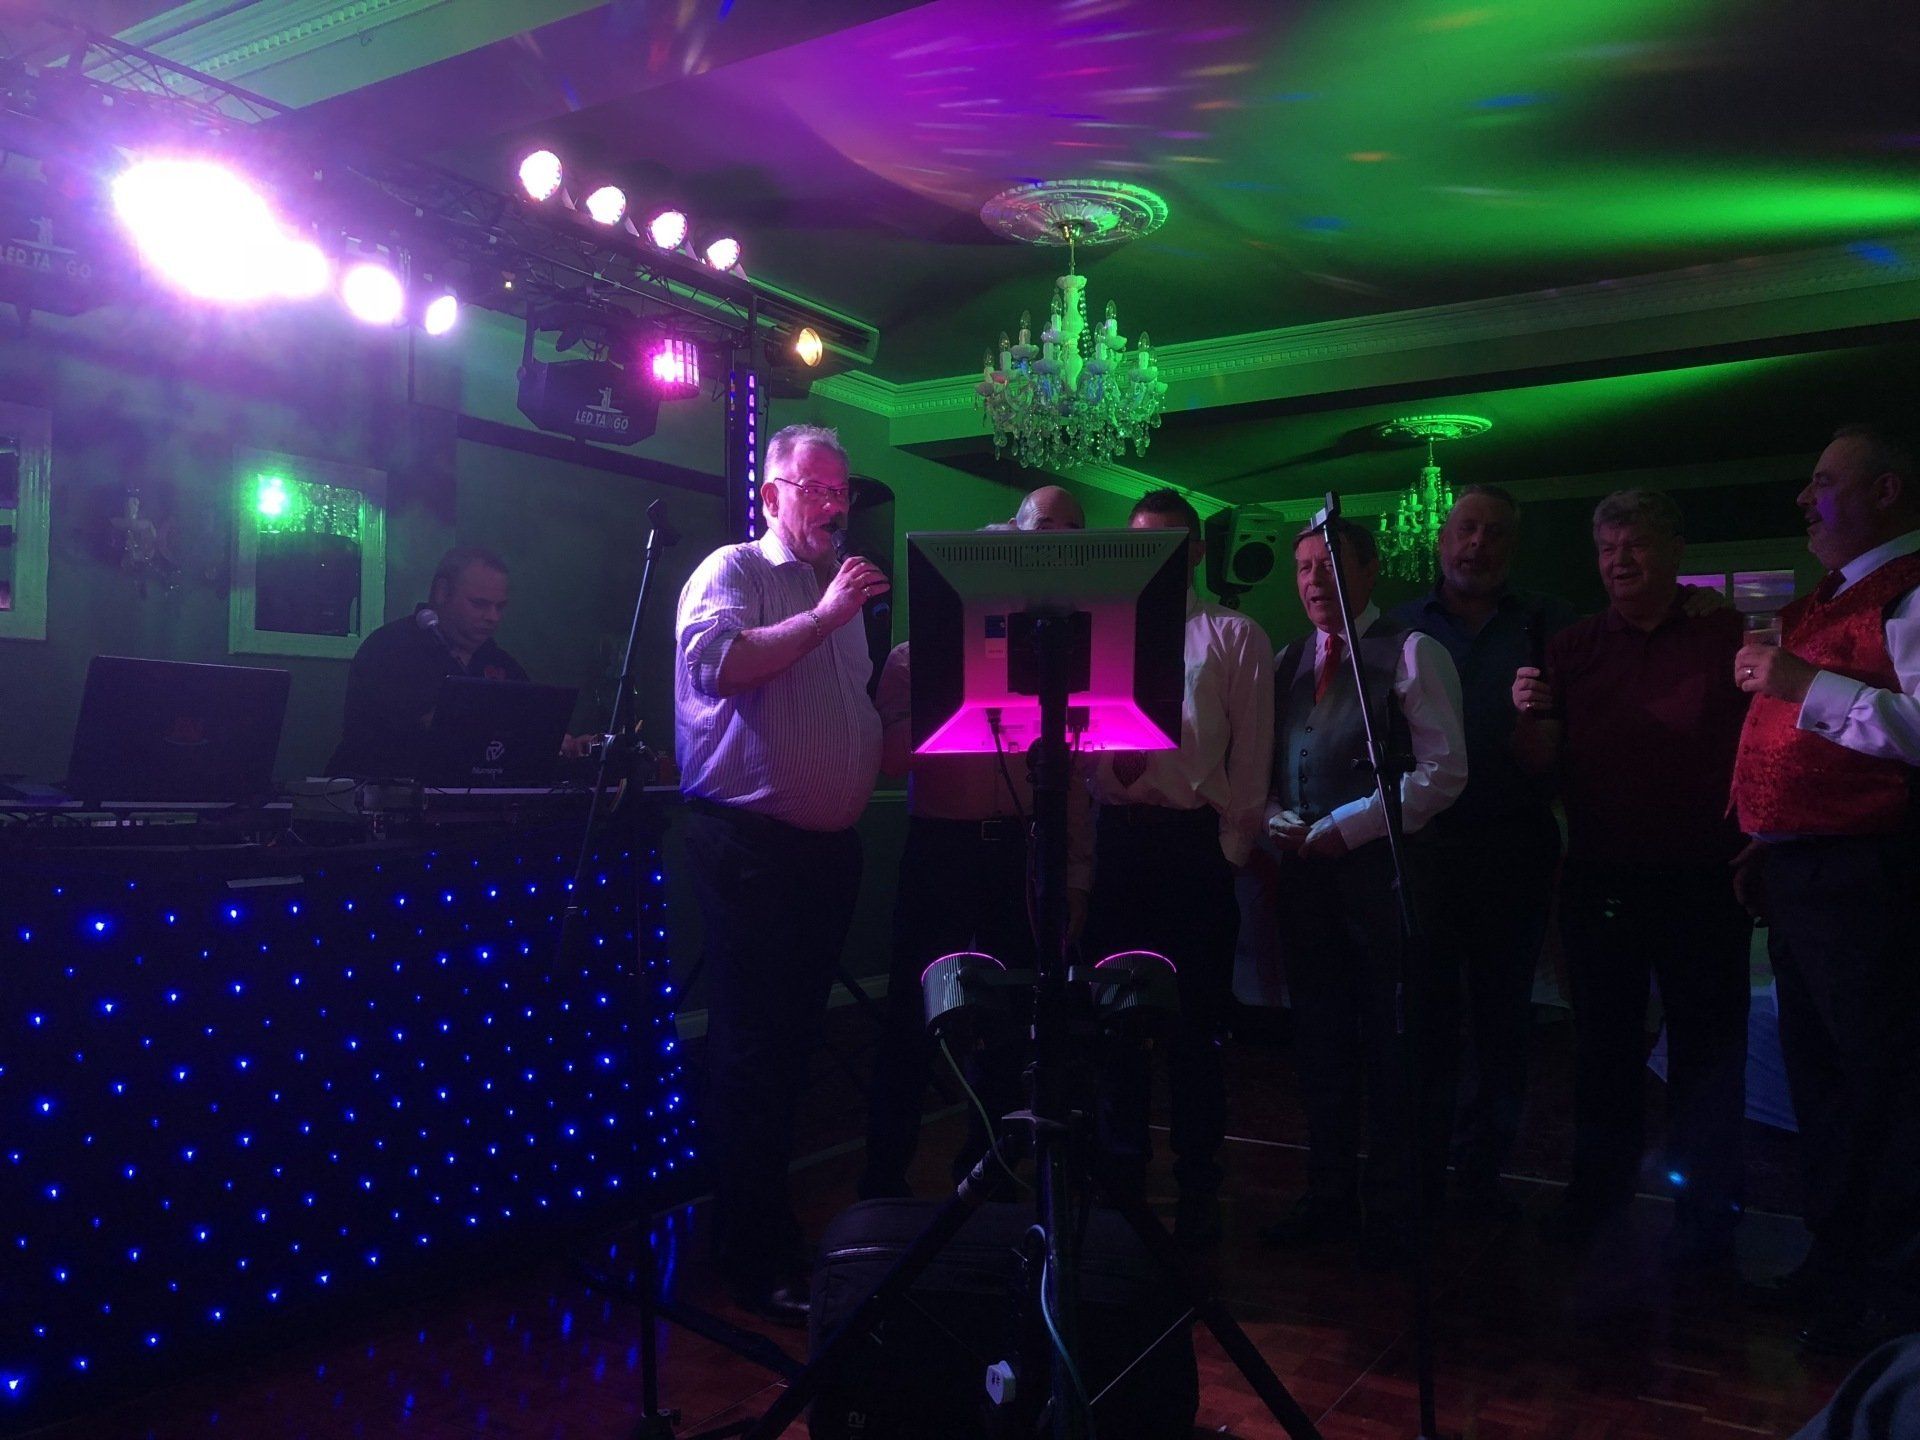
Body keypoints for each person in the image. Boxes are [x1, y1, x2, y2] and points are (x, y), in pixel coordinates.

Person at [672, 423, 889, 1325]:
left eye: (842, 491)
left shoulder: (840, 593)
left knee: (794, 1051)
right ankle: (751, 1256)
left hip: (825, 854)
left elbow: (840, 709)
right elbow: (720, 666)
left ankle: (773, 1233)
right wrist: (826, 616)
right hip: (751, 850)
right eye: (816, 489)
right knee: (755, 1054)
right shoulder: (732, 571)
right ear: (771, 495)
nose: (834, 506)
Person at [1511, 489, 1751, 1266]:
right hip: (1601, 875)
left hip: (1704, 879)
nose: (1620, 561)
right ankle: (1598, 1200)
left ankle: (1707, 1219)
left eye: (1636, 545)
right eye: (1608, 548)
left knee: (1707, 1055)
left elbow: (1763, 747)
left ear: (1676, 551)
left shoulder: (1726, 636)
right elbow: (1540, 768)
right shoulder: (1574, 646)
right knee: (1603, 1052)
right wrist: (1526, 713)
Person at [1728, 422, 1920, 1353]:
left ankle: (1892, 1296)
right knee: (1824, 1086)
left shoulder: (1910, 591)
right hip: (1806, 875)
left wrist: (1804, 681)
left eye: (1823, 481)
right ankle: (1837, 1266)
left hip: (1872, 879)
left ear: (1886, 492)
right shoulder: (1825, 599)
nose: (1805, 499)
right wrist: (1767, 840)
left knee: (1882, 1088)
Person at [859, 487, 1093, 1202]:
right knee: (912, 1012)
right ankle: (883, 1179)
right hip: (942, 848)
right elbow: (887, 761)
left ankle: (988, 1172)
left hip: (1021, 848)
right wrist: (954, 677)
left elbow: (1073, 776)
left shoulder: (1060, 663)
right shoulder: (912, 657)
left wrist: (1075, 872)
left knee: (1012, 1018)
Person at [1259, 518, 1467, 1268]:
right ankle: (1327, 1197)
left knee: (1393, 1048)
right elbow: (1271, 765)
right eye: (1303, 568)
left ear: (1371, 569)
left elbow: (1444, 772)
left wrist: (1347, 828)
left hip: (1387, 882)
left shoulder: (1412, 651)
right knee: (1321, 1047)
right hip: (1308, 888)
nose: (1315, 580)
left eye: (1330, 564)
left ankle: (1394, 1211)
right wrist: (1274, 815)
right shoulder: (1287, 660)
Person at [1086, 489, 1274, 1248]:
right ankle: (1121, 1183)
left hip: (1193, 849)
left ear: (1194, 551)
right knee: (1115, 1028)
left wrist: (1226, 855)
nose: (1154, 558)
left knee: (1196, 1031)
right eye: (1141, 544)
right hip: (1119, 844)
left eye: (1168, 544)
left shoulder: (1233, 634)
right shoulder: (1098, 632)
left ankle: (1199, 1184)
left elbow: (1252, 760)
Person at [1389, 485, 1576, 1220]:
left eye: (1495, 532)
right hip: (1423, 853)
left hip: (1513, 847)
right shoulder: (1399, 628)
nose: (1478, 544)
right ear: (1441, 539)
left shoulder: (1553, 625)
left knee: (1502, 1022)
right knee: (1424, 1019)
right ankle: (1420, 1168)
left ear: (1513, 546)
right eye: (1466, 529)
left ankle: (1482, 1172)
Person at [328, 546, 589, 777]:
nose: (493, 617)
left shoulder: (500, 663)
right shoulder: (390, 648)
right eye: (480, 604)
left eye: (500, 607)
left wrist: (558, 743)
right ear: (442, 593)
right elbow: (394, 740)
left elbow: (526, 727)